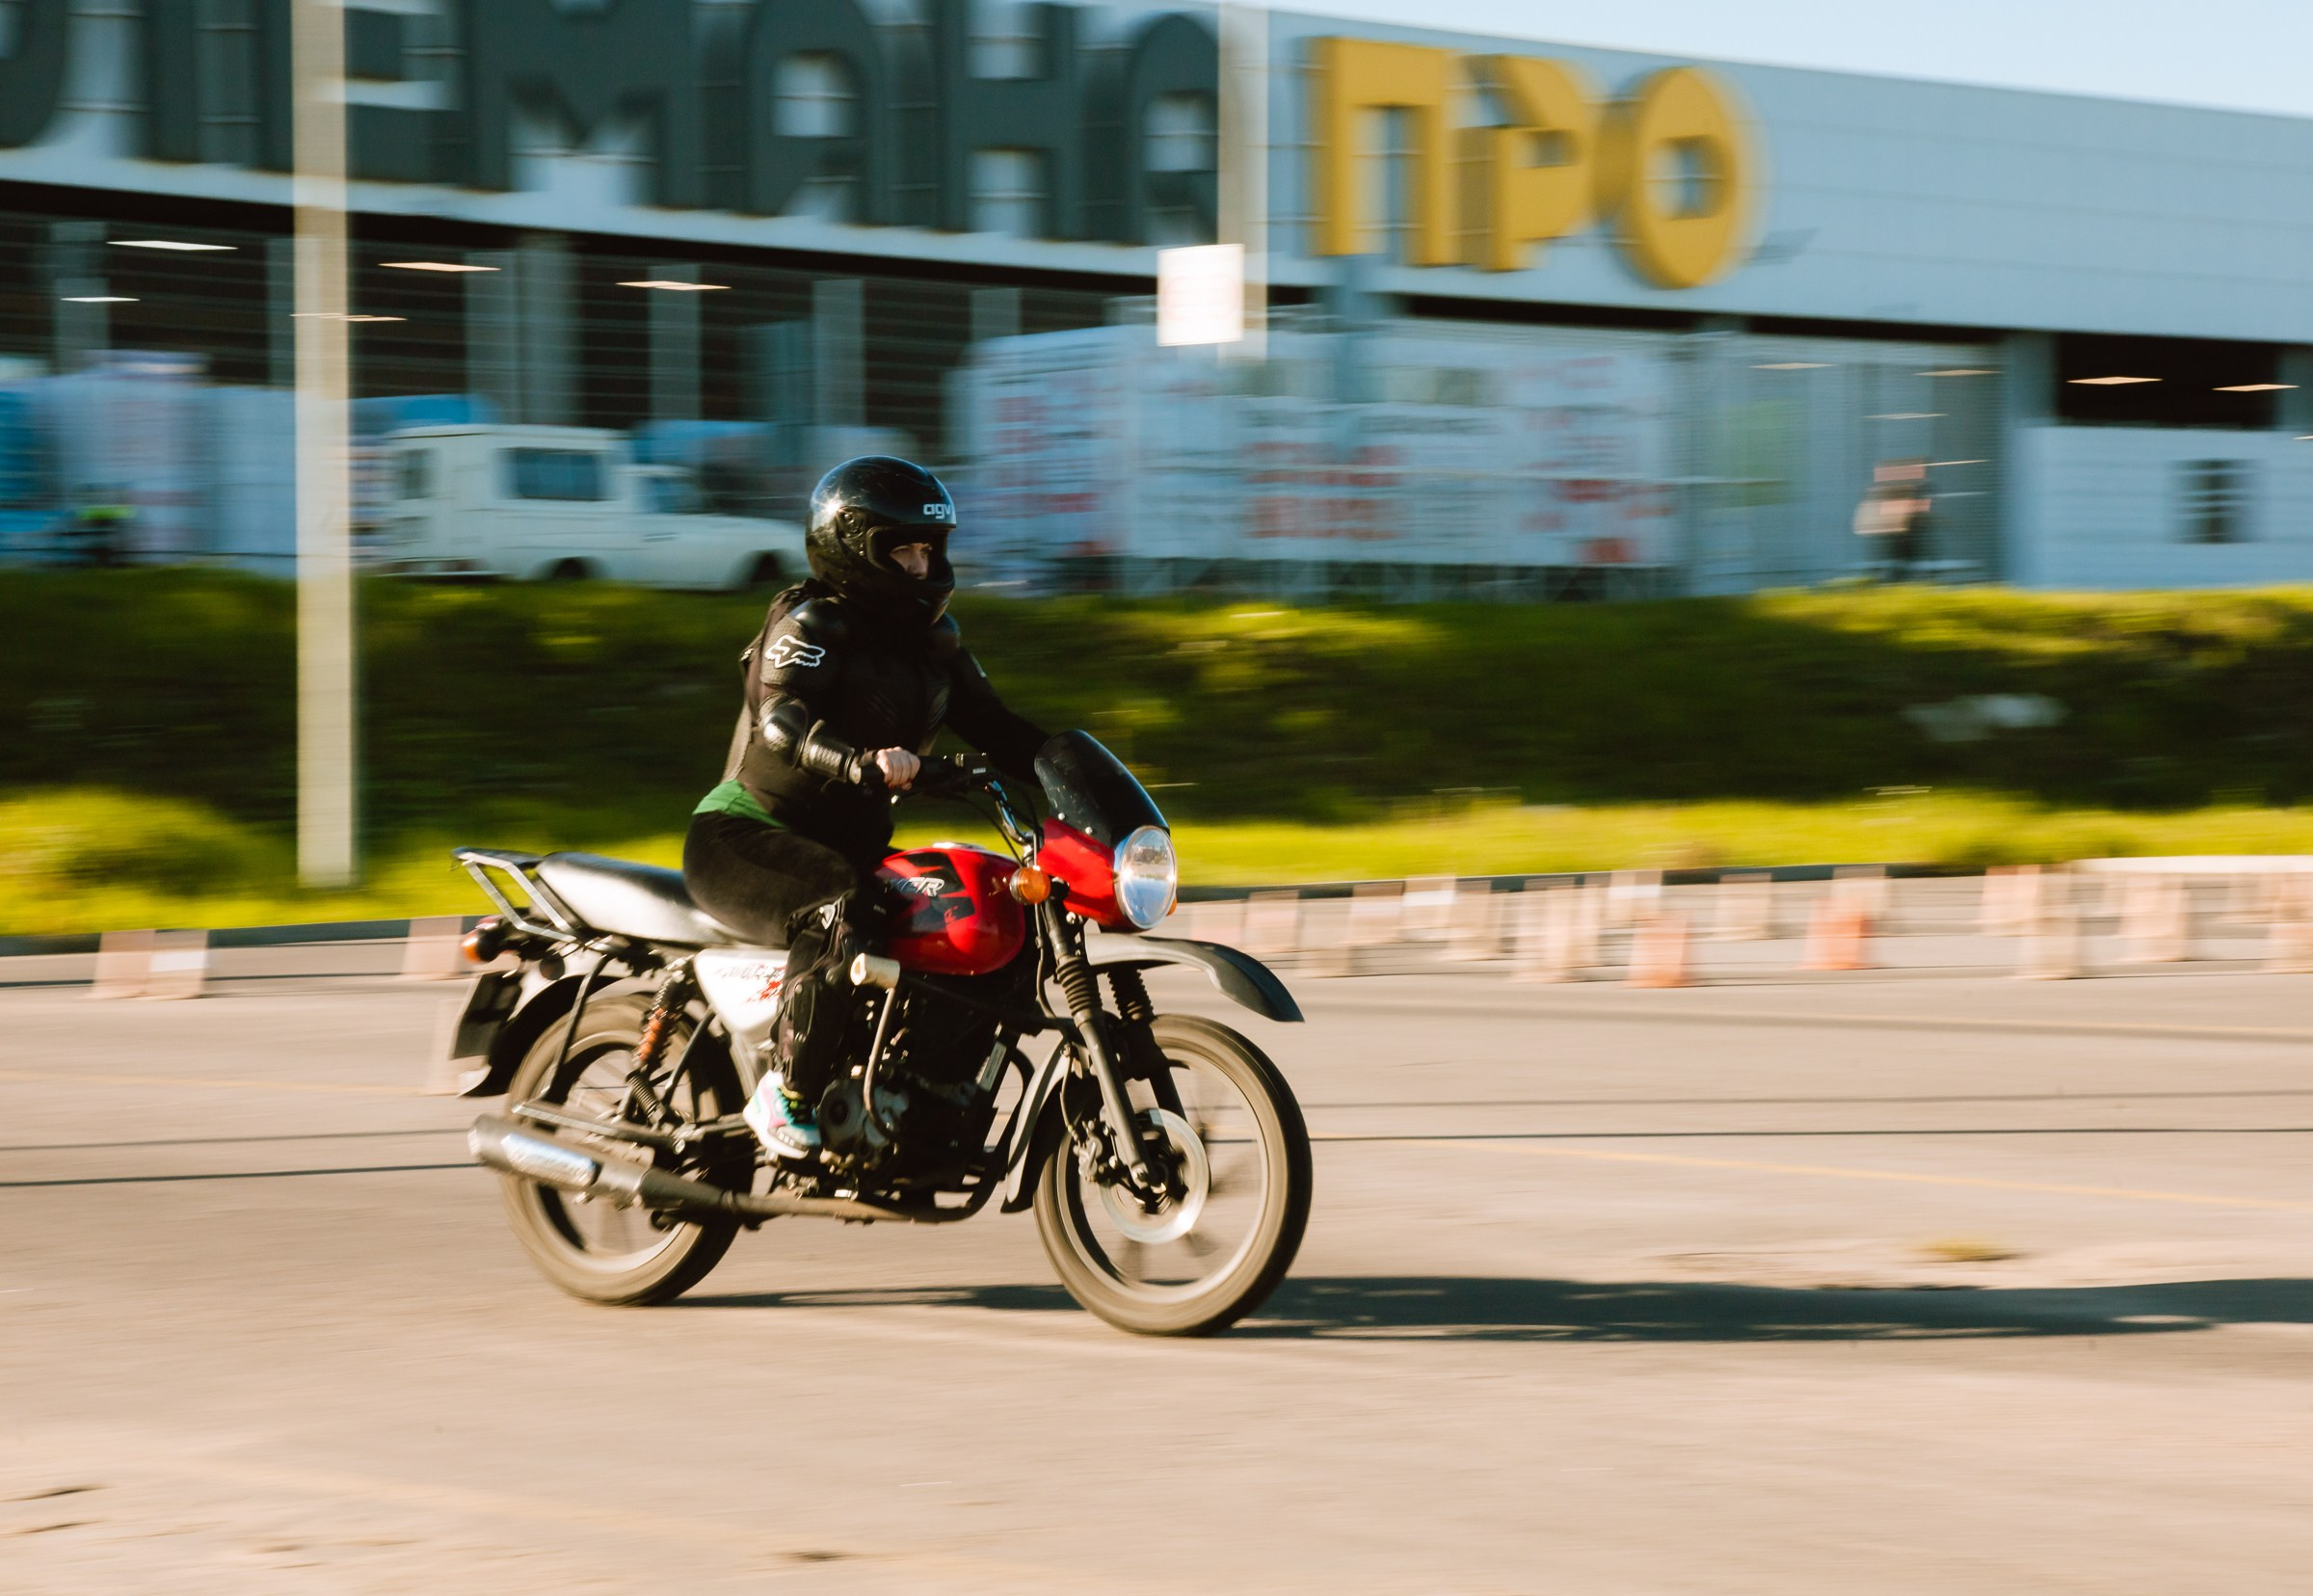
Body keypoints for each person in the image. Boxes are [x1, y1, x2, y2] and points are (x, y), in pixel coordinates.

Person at [682, 456, 1050, 1161]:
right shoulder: (811, 621)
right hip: (748, 834)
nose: (921, 566)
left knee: (1001, 911)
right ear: (855, 549)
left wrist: (1076, 769)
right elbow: (779, 723)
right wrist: (859, 761)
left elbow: (1002, 730)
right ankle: (786, 1096)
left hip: (851, 847)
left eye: (929, 550)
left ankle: (925, 1098)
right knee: (839, 906)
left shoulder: (935, 644)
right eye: (903, 550)